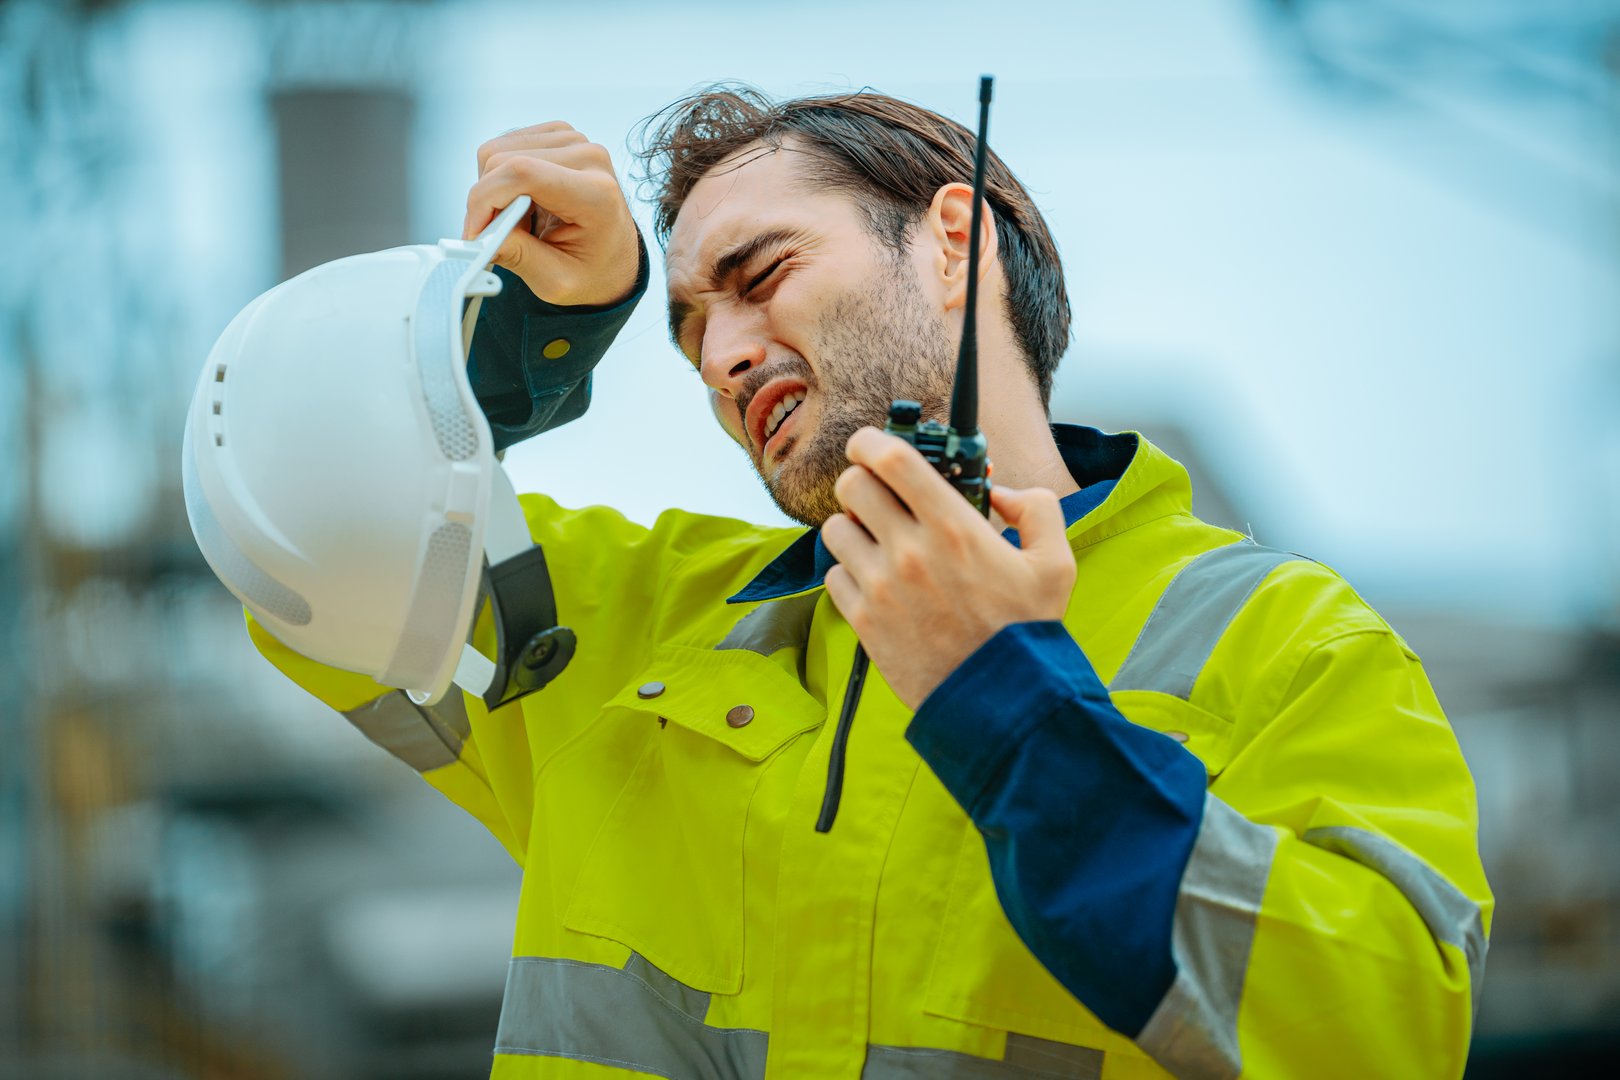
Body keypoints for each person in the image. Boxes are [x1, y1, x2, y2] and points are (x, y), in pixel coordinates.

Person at [248, 86, 1492, 1079]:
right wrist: (536, 337)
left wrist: (1009, 705)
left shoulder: (1280, 643)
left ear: (954, 244)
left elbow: (1377, 1038)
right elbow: (285, 527)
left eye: (761, 274)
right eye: (687, 331)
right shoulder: (643, 622)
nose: (723, 357)